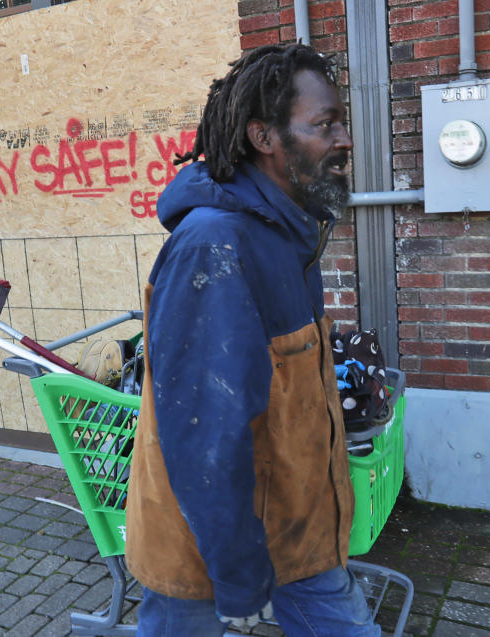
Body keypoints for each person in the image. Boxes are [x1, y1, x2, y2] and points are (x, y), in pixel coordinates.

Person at [124, 43, 381, 636]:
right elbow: (206, 434)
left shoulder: (289, 229)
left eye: (341, 122)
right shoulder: (217, 244)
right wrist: (239, 581)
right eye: (323, 125)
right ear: (264, 137)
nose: (343, 139)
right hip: (205, 555)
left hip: (293, 537)